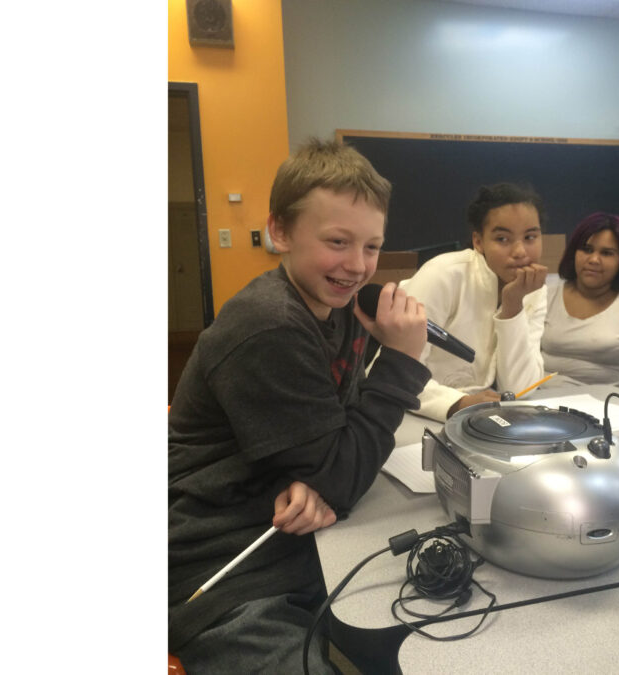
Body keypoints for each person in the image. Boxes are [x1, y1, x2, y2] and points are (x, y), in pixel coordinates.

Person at [167, 139, 431, 674]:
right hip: (218, 570)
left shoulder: (336, 307)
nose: (357, 266)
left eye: (372, 247)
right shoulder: (270, 324)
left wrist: (323, 476)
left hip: (297, 539)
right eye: (338, 241)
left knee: (436, 632)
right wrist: (401, 362)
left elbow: (338, 443)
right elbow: (339, 474)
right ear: (281, 232)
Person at [400, 182, 548, 421]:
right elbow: (396, 372)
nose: (520, 251)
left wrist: (513, 307)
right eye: (503, 238)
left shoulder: (533, 290)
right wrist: (458, 403)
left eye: (530, 236)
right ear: (478, 241)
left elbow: (521, 387)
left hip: (482, 419)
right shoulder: (444, 274)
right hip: (418, 414)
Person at [542, 211, 619, 386]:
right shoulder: (547, 291)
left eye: (607, 253)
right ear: (574, 253)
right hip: (541, 401)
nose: (593, 259)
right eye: (586, 249)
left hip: (609, 406)